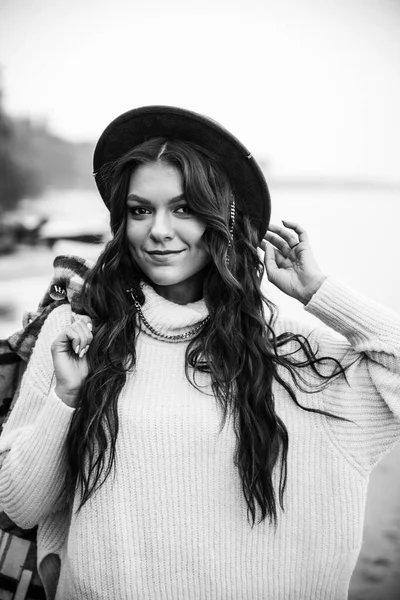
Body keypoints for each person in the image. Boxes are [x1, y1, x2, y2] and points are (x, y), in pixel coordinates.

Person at [0, 106, 399, 600]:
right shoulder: (79, 333)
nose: (159, 231)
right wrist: (67, 395)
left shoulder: (293, 353)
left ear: (223, 221)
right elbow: (21, 505)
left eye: (184, 209)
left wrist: (319, 291)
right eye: (140, 209)